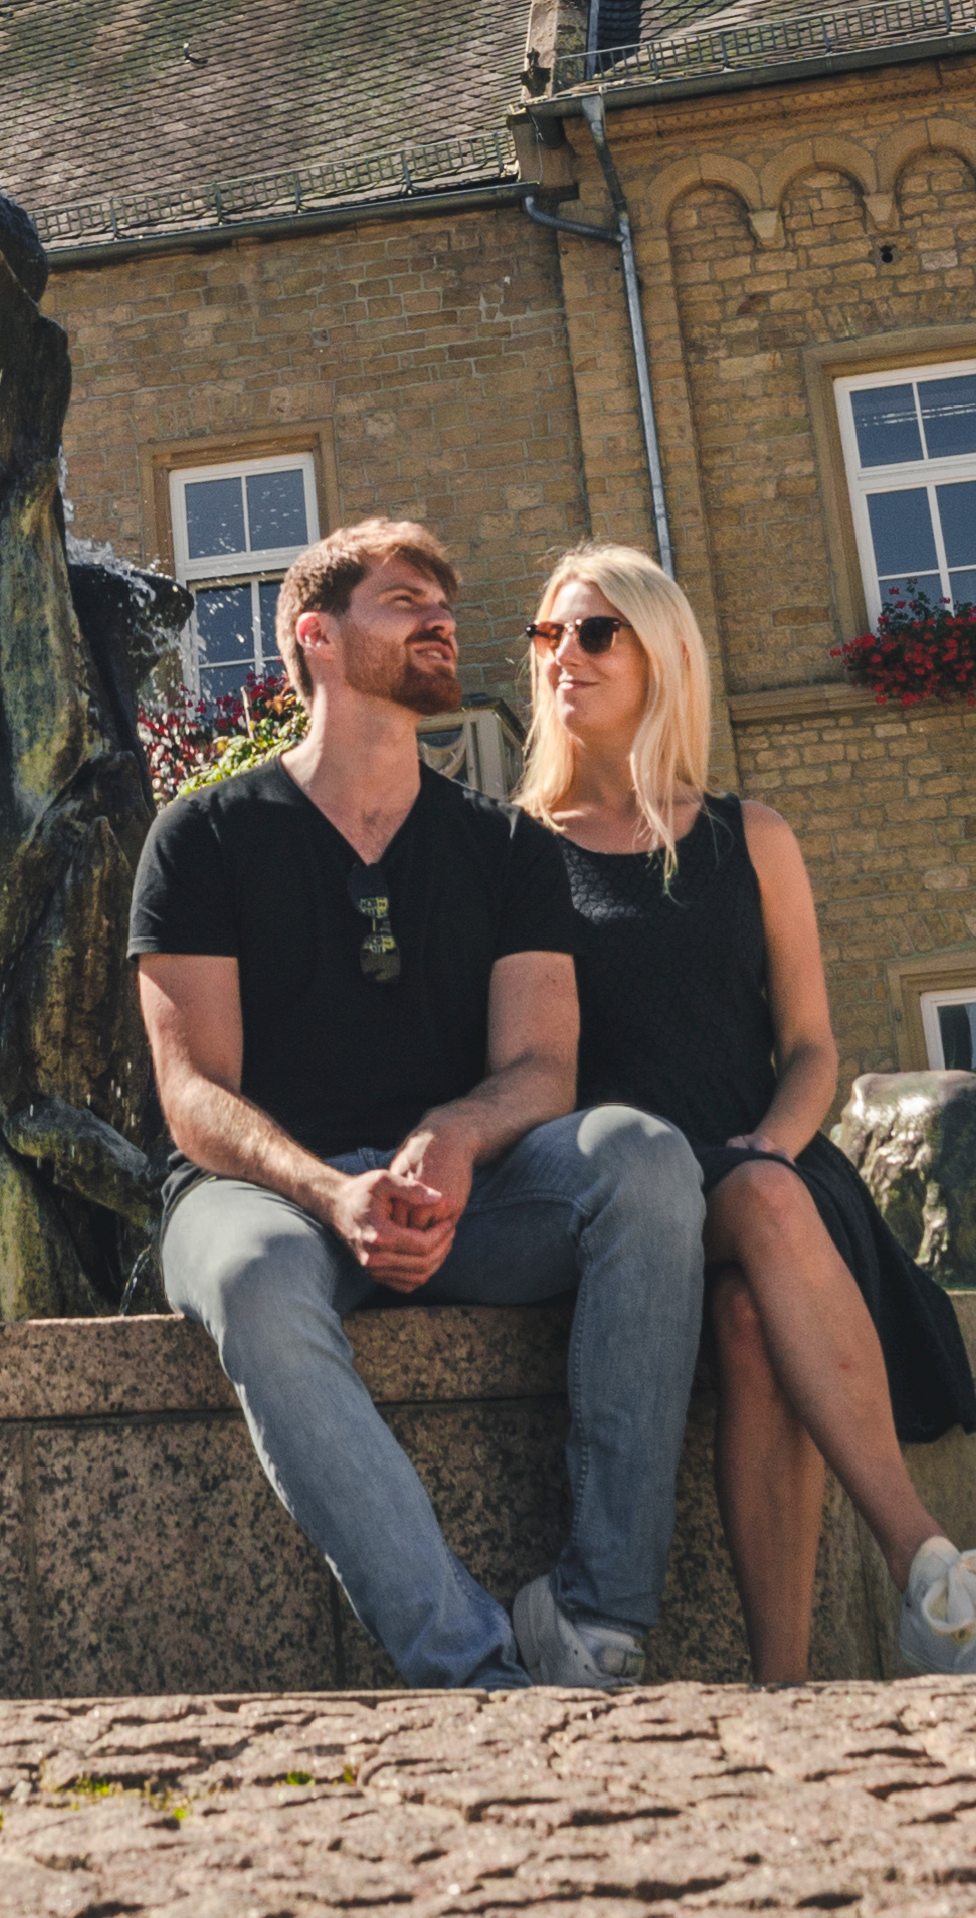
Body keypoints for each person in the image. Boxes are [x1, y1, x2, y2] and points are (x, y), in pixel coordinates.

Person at [130, 515, 711, 1688]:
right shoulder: (201, 837)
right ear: (318, 638)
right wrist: (332, 1189)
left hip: (469, 1200)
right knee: (249, 1272)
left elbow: (542, 1064)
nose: (441, 616)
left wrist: (450, 1137)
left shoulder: (503, 847)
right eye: (404, 600)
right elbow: (194, 1097)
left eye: (443, 598)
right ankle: (470, 1661)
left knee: (645, 1161)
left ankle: (593, 1619)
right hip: (267, 1198)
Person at [519, 541, 976, 1685]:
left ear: (660, 653)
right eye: (543, 635)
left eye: (591, 631)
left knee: (748, 1327)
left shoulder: (748, 836)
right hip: (620, 1190)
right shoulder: (516, 853)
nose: (560, 656)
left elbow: (813, 1043)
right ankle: (931, 1576)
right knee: (748, 1253)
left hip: (760, 1157)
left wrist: (768, 1142)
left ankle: (786, 1680)